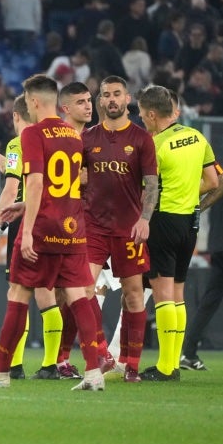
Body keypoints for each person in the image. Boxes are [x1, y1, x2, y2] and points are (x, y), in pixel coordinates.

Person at [0, 74, 102, 391]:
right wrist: (26, 205)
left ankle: (1, 372)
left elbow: (39, 182)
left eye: (27, 101)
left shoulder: (31, 135)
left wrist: (26, 230)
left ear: (35, 102)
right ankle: (94, 371)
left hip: (42, 228)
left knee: (18, 294)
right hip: (72, 225)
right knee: (78, 295)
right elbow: (76, 183)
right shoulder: (73, 135)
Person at [136, 85, 218, 381]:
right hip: (190, 224)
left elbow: (148, 189)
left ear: (154, 114)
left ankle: (165, 367)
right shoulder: (197, 137)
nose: (143, 121)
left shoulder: (155, 145)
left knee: (163, 295)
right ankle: (171, 365)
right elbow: (213, 181)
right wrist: (187, 196)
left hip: (163, 221)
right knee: (179, 294)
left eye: (144, 116)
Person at [81, 76, 158, 383]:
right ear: (100, 101)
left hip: (129, 228)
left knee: (134, 295)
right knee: (83, 290)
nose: (111, 99)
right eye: (106, 95)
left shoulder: (142, 139)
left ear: (128, 99)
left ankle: (133, 367)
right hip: (93, 227)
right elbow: (74, 177)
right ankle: (103, 353)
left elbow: (151, 184)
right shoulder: (87, 138)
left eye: (117, 94)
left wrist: (145, 219)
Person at [0, 94, 33, 380]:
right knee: (58, 294)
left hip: (24, 217)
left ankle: (13, 364)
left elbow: (12, 190)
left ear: (15, 116)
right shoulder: (55, 137)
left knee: (17, 292)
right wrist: (7, 165)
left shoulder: (18, 143)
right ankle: (57, 363)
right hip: (59, 218)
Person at [181, 163, 223, 371]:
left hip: (219, 246)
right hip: (220, 246)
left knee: (210, 300)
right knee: (210, 300)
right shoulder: (220, 178)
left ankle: (188, 352)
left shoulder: (218, 178)